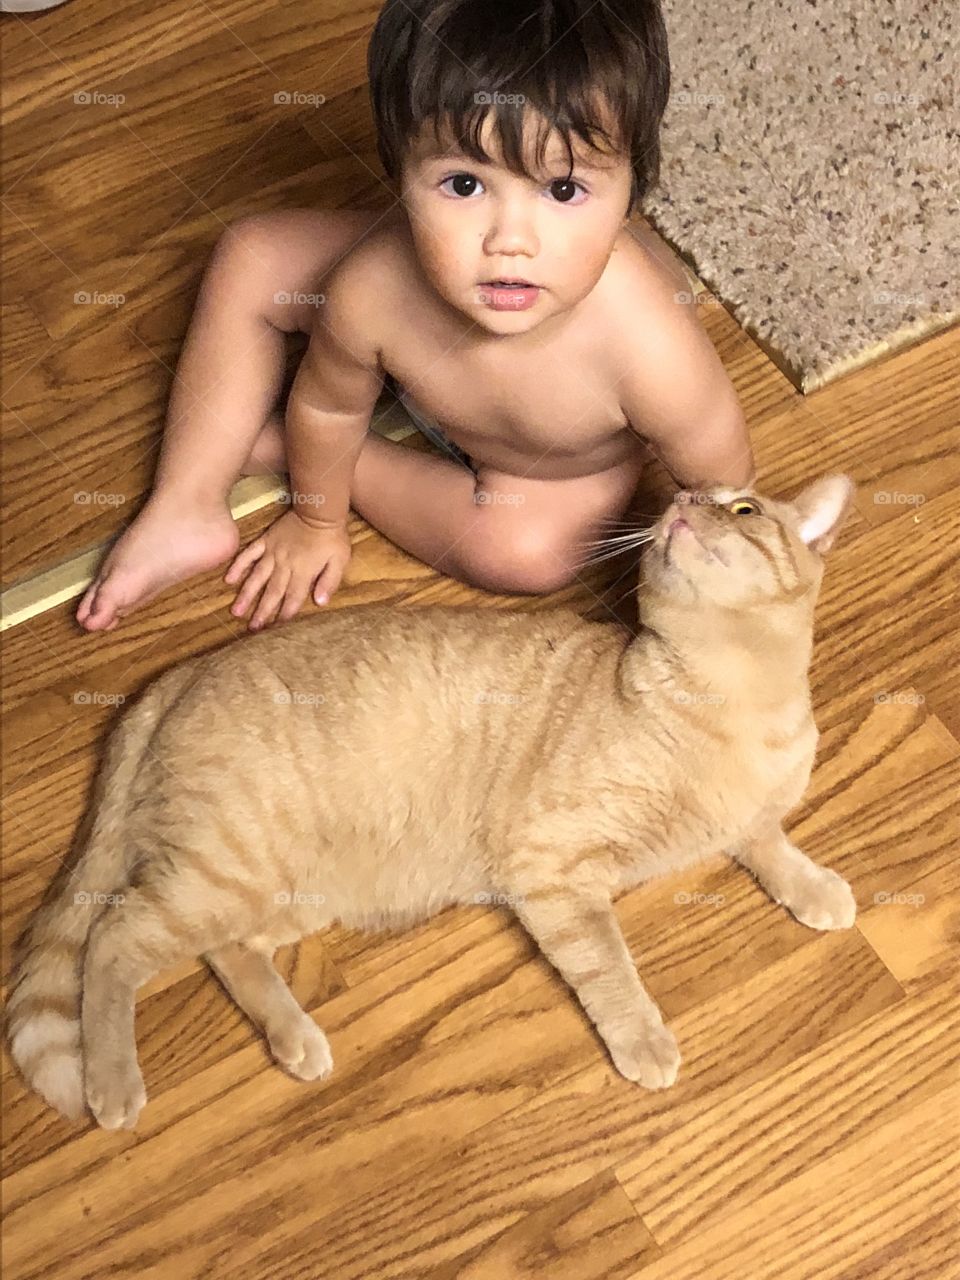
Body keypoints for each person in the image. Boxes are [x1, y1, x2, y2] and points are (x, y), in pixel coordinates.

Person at [77, 0, 754, 633]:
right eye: (464, 184)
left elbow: (724, 482)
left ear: (634, 186)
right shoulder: (372, 288)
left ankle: (279, 446)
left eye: (564, 189)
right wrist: (317, 521)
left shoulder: (648, 346)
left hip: (544, 473)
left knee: (525, 554)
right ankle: (186, 502)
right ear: (399, 170)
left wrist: (741, 567)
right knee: (251, 255)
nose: (510, 240)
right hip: (415, 336)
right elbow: (331, 408)